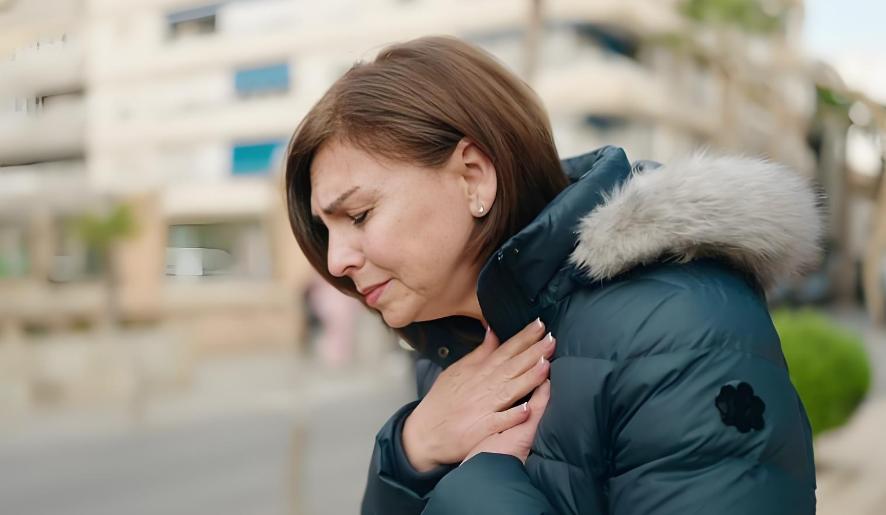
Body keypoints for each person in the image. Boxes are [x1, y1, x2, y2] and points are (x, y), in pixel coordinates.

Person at [284, 36, 819, 515]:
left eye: (358, 216)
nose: (336, 262)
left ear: (474, 177)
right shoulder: (455, 354)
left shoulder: (681, 328)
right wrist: (411, 448)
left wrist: (480, 481)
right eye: (325, 231)